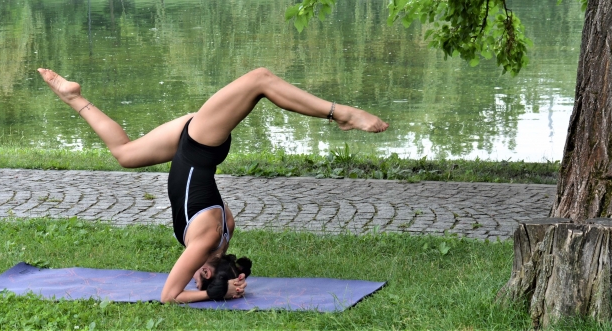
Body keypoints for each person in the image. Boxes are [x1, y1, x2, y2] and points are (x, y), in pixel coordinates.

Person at [37, 67, 389, 303]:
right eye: (200, 277)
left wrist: (226, 283)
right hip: (199, 143)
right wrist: (214, 293)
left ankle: (72, 96)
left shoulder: (224, 234)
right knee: (260, 79)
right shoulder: (206, 240)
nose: (193, 276)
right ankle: (340, 113)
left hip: (196, 144)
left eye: (196, 280)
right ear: (210, 271)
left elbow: (206, 203)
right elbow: (169, 296)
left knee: (126, 154)